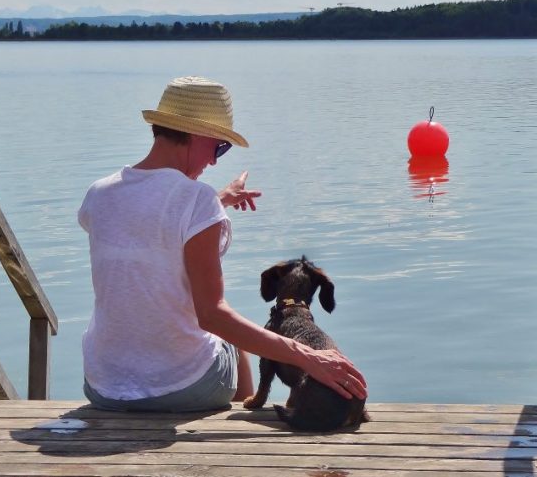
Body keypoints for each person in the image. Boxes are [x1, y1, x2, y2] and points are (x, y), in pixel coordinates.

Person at [79, 75, 366, 412]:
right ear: (196, 134)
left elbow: (148, 228)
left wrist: (219, 202)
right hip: (181, 389)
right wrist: (308, 357)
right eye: (218, 146)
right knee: (231, 338)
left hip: (104, 387)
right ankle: (242, 415)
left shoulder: (99, 193)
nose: (214, 161)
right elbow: (212, 316)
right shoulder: (197, 200)